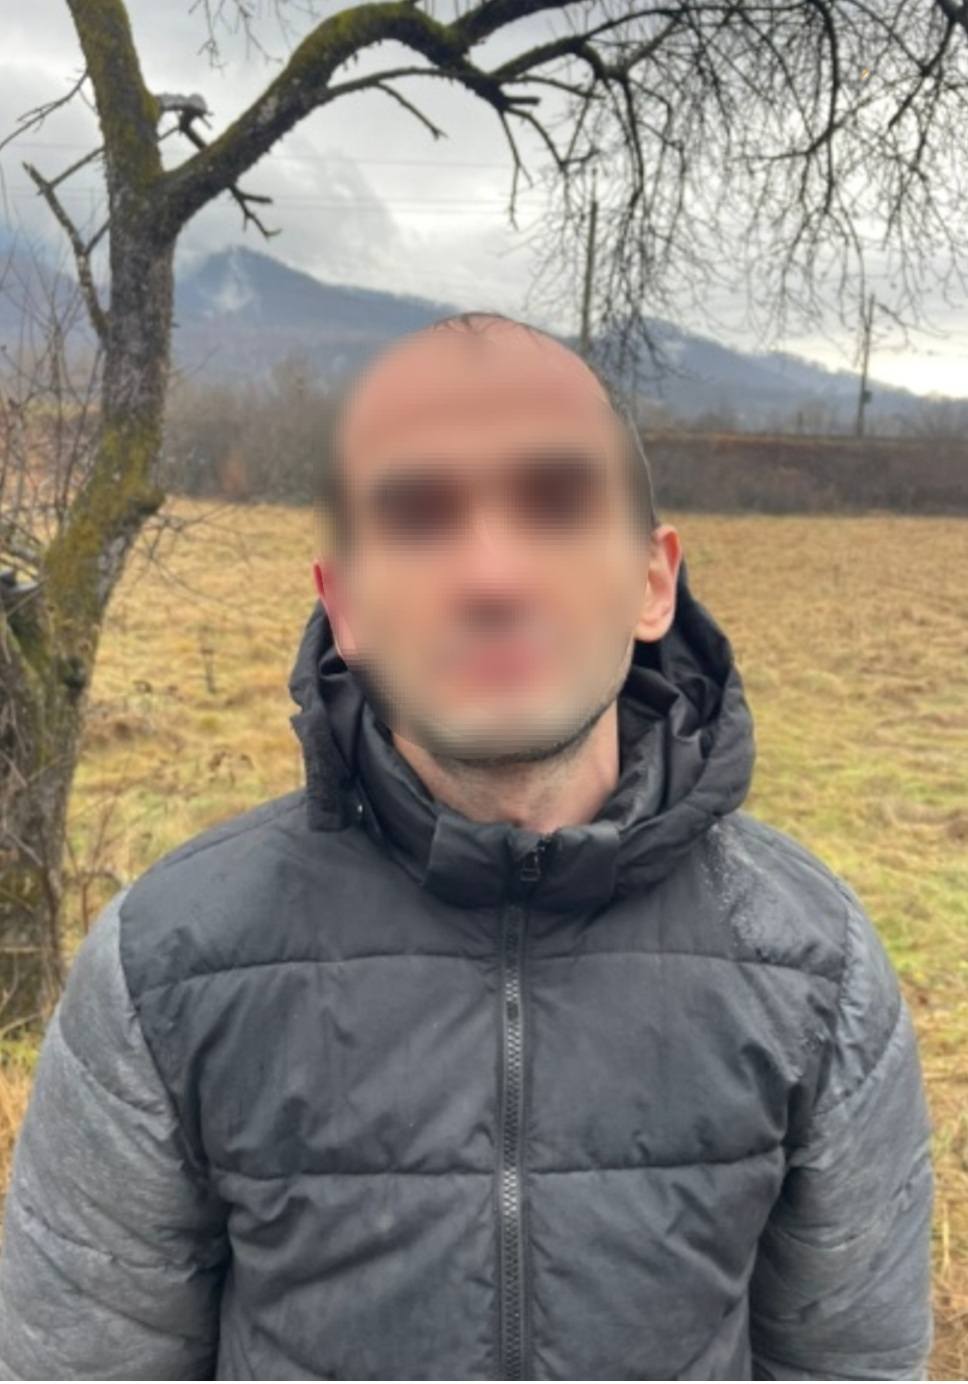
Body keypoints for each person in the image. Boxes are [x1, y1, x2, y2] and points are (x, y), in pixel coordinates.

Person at [0, 312, 933, 1381]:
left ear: (651, 582)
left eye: (555, 507)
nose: (492, 578)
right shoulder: (164, 968)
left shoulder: (814, 967)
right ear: (344, 606)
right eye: (419, 518)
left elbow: (848, 1364)